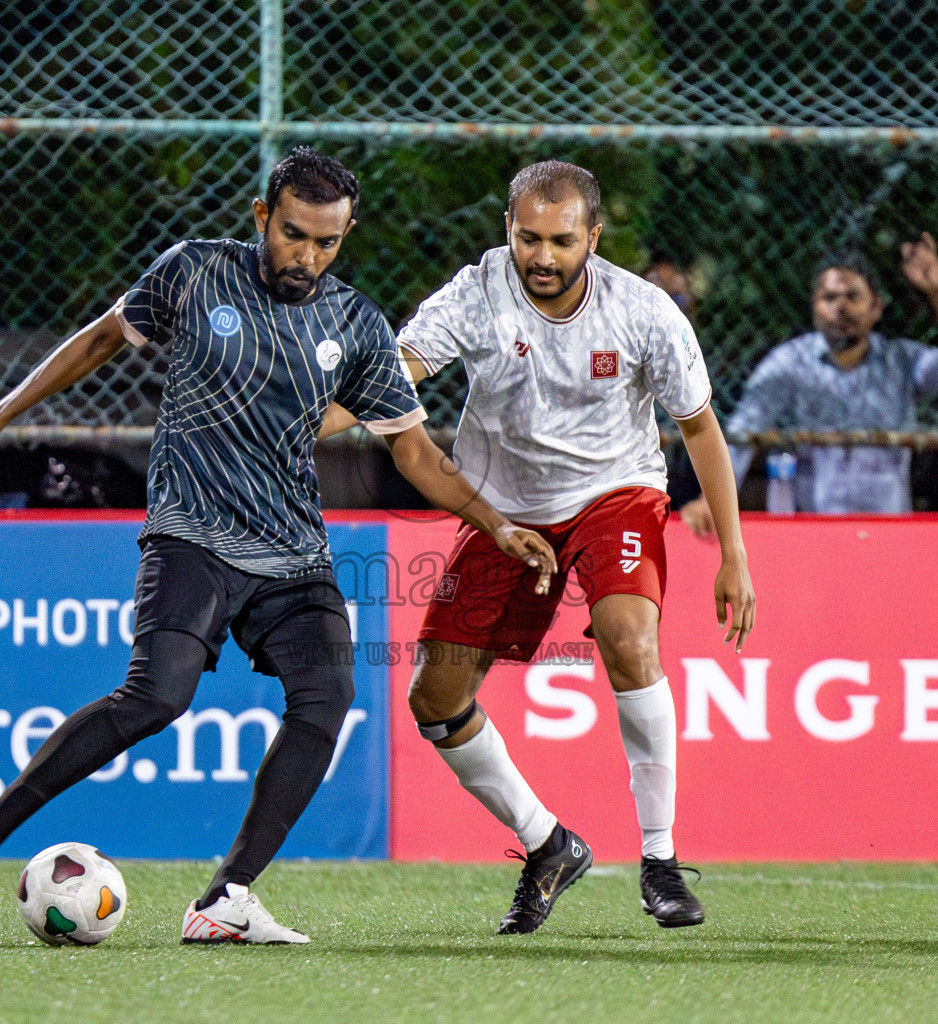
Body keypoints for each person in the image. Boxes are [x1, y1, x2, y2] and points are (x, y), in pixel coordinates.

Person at [0, 148, 557, 944]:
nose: (308, 256)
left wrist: (498, 524)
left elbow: (414, 452)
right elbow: (101, 340)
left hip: (293, 553)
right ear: (261, 217)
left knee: (329, 697)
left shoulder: (357, 324)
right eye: (295, 235)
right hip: (191, 532)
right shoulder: (194, 273)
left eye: (328, 242)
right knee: (156, 699)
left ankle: (225, 900)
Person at [323, 160, 756, 934]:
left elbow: (701, 431)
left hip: (614, 492)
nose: (543, 256)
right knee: (434, 698)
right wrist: (281, 431)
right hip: (504, 510)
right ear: (509, 233)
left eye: (561, 240)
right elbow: (391, 381)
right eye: (528, 238)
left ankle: (660, 861)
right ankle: (547, 843)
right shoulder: (476, 291)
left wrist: (735, 555)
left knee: (628, 638)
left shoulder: (645, 311)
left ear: (593, 236)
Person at [682, 237, 938, 528]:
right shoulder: (790, 364)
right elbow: (743, 431)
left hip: (891, 527)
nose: (840, 307)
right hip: (815, 529)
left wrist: (937, 290)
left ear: (876, 307)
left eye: (853, 296)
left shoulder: (901, 360)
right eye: (829, 297)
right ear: (814, 308)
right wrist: (713, 500)